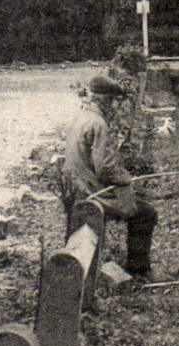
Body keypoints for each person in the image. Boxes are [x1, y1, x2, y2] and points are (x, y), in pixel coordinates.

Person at [63, 73, 157, 280]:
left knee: (136, 200)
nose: (116, 106)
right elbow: (105, 168)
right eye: (114, 101)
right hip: (92, 194)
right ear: (105, 100)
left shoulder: (81, 117)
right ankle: (139, 272)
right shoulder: (98, 124)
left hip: (76, 188)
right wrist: (125, 180)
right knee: (146, 213)